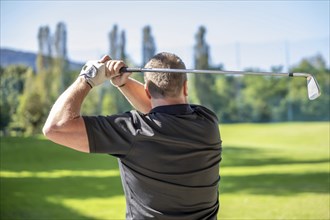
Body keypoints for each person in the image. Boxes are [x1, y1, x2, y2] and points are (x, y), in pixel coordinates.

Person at [43, 52, 222, 220]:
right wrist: (122, 83)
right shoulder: (208, 122)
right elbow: (159, 108)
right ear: (185, 87)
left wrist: (87, 78)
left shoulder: (134, 131)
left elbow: (56, 127)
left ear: (147, 90)